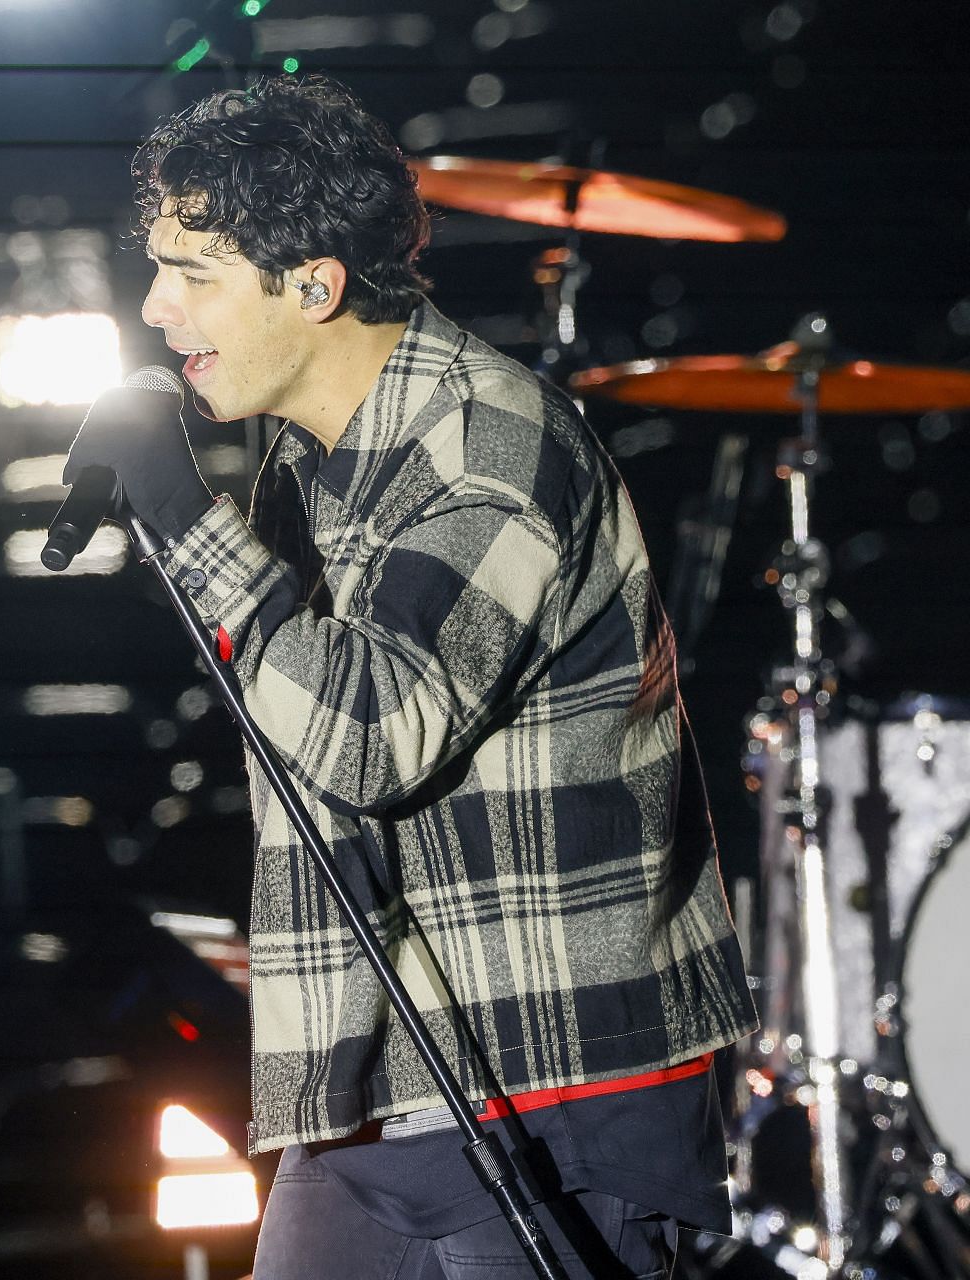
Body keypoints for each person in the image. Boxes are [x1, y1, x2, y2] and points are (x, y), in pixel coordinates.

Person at [64, 75, 757, 1279]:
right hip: (386, 1067)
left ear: (316, 284)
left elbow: (376, 730)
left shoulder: (496, 443)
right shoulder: (311, 458)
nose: (154, 305)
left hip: (550, 1077)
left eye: (193, 272)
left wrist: (180, 509)